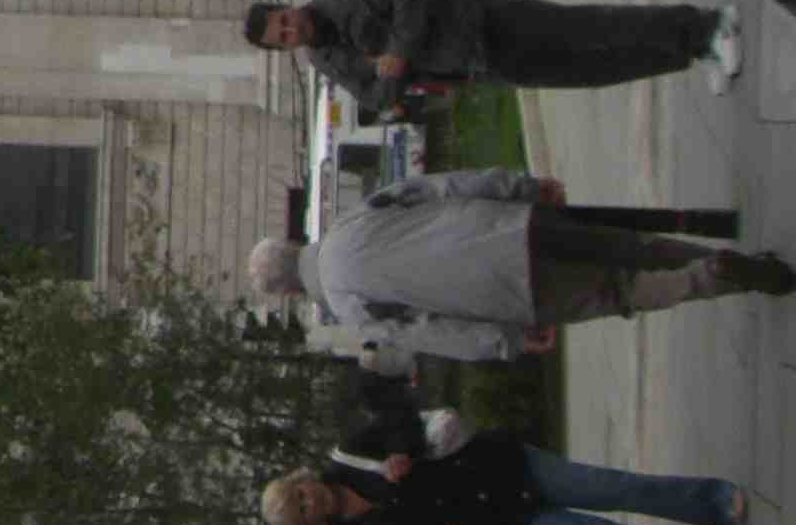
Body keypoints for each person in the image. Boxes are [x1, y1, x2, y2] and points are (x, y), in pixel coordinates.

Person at [242, 171, 791, 360]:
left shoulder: (351, 309)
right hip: (507, 225)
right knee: (630, 247)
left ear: (291, 293)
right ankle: (732, 262)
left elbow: (429, 331)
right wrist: (518, 186)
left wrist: (504, 342)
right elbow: (438, 187)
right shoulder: (350, 221)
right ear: (293, 244)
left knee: (620, 291)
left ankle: (710, 277)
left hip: (508, 289)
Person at [261, 407, 743, 525]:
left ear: (303, 480)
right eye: (303, 514)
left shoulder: (349, 454)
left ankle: (714, 502)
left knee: (615, 487)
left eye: (301, 495)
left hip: (507, 469)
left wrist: (400, 452)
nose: (310, 504)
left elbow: (403, 421)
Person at [242, 0, 744, 113]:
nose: (291, 30)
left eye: (284, 20)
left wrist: (397, 52)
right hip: (481, 64)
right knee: (592, 71)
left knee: (593, 27)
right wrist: (393, 74)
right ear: (283, 48)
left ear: (287, 7)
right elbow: (374, 98)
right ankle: (692, 52)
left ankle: (705, 24)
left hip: (484, 20)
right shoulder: (325, 60)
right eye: (283, 38)